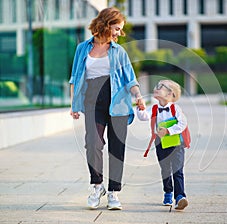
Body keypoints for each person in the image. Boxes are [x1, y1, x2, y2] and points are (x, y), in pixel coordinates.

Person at [69, 7, 145, 210]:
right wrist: (74, 104)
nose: (119, 33)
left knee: (116, 148)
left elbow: (130, 79)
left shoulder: (119, 51)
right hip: (92, 100)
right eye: (117, 28)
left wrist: (138, 97)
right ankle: (97, 186)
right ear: (106, 24)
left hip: (118, 101)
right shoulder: (83, 49)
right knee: (92, 143)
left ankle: (114, 192)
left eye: (120, 29)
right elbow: (75, 78)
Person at [136, 80, 189, 210]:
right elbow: (144, 117)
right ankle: (168, 192)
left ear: (170, 93)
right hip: (160, 143)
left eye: (160, 87)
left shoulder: (175, 108)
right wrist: (140, 108)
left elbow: (183, 123)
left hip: (176, 143)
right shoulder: (154, 108)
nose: (156, 88)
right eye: (156, 86)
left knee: (178, 170)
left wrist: (168, 131)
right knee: (165, 170)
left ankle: (180, 197)